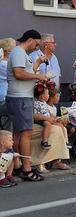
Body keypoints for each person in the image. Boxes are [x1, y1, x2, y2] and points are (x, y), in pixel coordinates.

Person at [7, 30, 49, 182]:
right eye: (36, 44)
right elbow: (18, 73)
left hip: (21, 97)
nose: (36, 48)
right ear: (30, 40)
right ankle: (26, 168)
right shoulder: (18, 52)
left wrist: (37, 67)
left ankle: (18, 165)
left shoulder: (22, 54)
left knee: (19, 133)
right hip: (20, 98)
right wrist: (38, 76)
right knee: (26, 132)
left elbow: (26, 73)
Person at [31, 82, 70, 172]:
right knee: (54, 129)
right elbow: (35, 115)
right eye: (47, 94)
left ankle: (57, 159)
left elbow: (50, 114)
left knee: (61, 127)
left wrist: (57, 119)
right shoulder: (35, 103)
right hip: (38, 122)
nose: (48, 96)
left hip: (46, 121)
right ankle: (41, 161)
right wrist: (48, 119)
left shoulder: (44, 104)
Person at [0, 38, 16, 130]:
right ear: (7, 50)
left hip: (7, 96)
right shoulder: (3, 64)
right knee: (7, 125)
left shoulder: (7, 63)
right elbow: (15, 76)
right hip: (4, 97)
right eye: (14, 48)